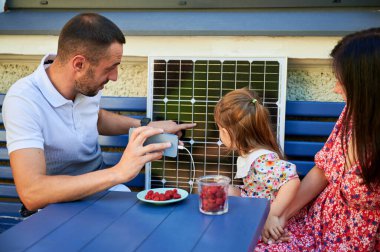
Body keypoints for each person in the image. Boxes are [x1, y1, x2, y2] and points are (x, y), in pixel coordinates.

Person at [2, 13, 195, 214]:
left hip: (103, 191)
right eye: (110, 68)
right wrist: (118, 172)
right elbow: (33, 193)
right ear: (79, 64)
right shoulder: (23, 101)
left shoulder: (86, 84)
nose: (115, 77)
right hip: (53, 206)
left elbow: (95, 117)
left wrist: (146, 126)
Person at [255, 27, 380, 251]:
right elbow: (323, 170)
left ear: (367, 86)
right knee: (250, 241)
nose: (335, 88)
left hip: (349, 244)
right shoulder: (353, 114)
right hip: (314, 224)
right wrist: (280, 215)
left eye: (343, 81)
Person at [214, 88, 300, 243]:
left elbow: (292, 180)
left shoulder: (260, 161)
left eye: (219, 129)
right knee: (225, 190)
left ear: (227, 133)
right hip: (257, 205)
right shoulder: (252, 155)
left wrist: (271, 214)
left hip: (268, 218)